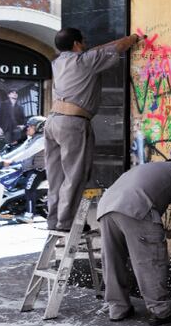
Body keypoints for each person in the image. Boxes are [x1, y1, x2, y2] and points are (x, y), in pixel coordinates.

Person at [45, 27, 141, 231]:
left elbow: (95, 52)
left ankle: (53, 220)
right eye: (83, 42)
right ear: (76, 44)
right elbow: (117, 47)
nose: (86, 45)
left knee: (55, 176)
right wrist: (134, 37)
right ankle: (66, 222)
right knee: (75, 175)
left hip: (52, 122)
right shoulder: (86, 61)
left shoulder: (58, 61)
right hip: (72, 123)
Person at [97, 159, 171, 325]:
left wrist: (163, 232)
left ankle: (117, 308)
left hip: (106, 207)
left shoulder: (147, 168)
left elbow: (137, 227)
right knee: (150, 260)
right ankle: (161, 310)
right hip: (134, 208)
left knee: (112, 260)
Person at [2, 115, 47, 223]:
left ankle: (29, 216)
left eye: (30, 126)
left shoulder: (42, 140)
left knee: (29, 188)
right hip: (29, 168)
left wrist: (11, 161)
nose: (27, 128)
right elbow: (20, 150)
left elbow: (27, 153)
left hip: (39, 169)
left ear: (38, 128)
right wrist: (4, 158)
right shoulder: (31, 139)